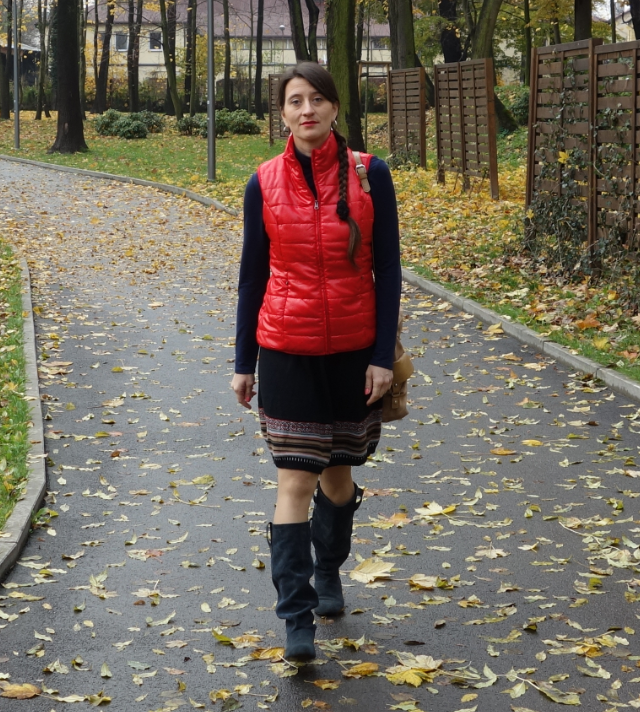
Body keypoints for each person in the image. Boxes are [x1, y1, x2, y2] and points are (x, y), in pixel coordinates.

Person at [231, 62, 401, 663]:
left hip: (354, 354)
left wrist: (381, 357)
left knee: (337, 479)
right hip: (286, 351)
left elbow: (388, 270)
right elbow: (252, 276)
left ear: (334, 107)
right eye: (294, 101)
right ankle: (295, 617)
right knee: (296, 479)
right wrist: (244, 361)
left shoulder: (370, 175)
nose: (307, 110)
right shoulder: (263, 182)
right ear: (282, 113)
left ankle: (328, 570)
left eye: (317, 99)